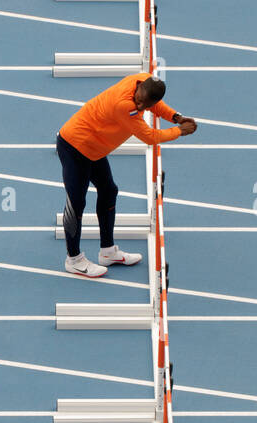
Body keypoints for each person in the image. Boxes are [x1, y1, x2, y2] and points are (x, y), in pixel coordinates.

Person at [56, 74, 197, 278]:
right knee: (76, 202)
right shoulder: (124, 105)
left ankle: (108, 252)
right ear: (138, 91)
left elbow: (156, 105)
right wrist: (179, 131)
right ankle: (74, 259)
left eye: (143, 105)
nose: (139, 106)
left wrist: (176, 117)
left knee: (109, 190)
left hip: (94, 148)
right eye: (138, 100)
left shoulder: (142, 80)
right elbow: (149, 137)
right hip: (75, 146)